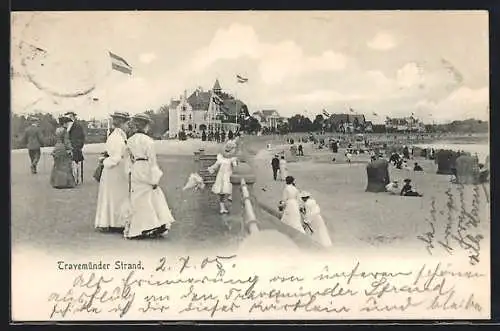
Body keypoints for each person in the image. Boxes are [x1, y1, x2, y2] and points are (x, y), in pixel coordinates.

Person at [122, 113, 176, 239]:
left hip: (136, 168)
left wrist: (129, 172)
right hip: (146, 167)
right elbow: (153, 161)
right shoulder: (149, 141)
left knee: (138, 198)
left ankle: (140, 227)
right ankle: (154, 223)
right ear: (146, 126)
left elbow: (128, 159)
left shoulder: (129, 141)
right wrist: (155, 178)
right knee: (153, 194)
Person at [94, 111, 131, 233]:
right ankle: (115, 222)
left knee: (115, 195)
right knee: (116, 195)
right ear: (121, 123)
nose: (128, 126)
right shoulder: (116, 137)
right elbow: (116, 157)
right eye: (126, 123)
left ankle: (113, 221)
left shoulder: (118, 136)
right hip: (115, 170)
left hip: (116, 170)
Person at [207, 140, 238, 214]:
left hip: (223, 177)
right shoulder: (228, 159)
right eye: (233, 149)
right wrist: (211, 169)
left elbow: (216, 166)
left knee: (224, 192)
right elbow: (236, 168)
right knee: (224, 192)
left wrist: (212, 169)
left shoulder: (223, 159)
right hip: (226, 177)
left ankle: (226, 204)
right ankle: (222, 208)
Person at [50, 120, 76, 189]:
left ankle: (56, 182)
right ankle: (64, 183)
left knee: (57, 165)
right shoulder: (65, 131)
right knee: (65, 165)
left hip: (57, 147)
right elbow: (66, 141)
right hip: (63, 148)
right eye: (67, 123)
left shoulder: (57, 130)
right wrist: (71, 149)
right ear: (64, 124)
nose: (67, 124)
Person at [63, 111, 86, 185]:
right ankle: (70, 179)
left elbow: (82, 137)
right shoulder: (65, 126)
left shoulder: (78, 126)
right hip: (67, 147)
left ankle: (76, 179)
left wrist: (78, 147)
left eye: (69, 117)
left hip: (75, 147)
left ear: (73, 117)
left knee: (75, 164)